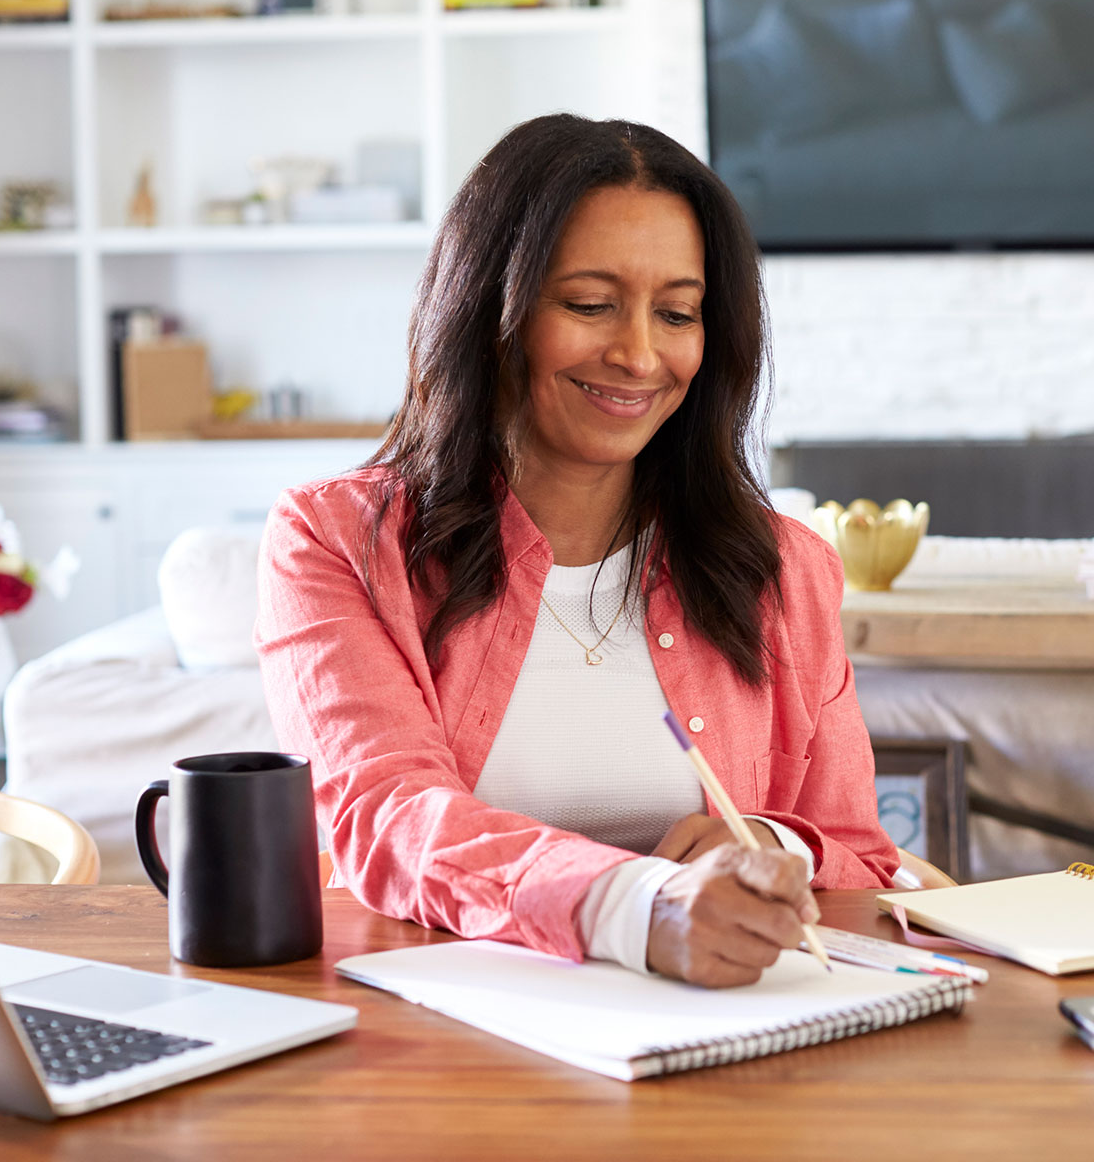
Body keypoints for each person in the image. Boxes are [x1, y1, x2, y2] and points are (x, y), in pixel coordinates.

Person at [255, 114, 897, 988]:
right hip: (442, 1059)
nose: (638, 354)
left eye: (676, 313)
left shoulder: (786, 569)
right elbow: (387, 817)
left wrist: (772, 851)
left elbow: (861, 857)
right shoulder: (335, 543)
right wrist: (642, 906)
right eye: (590, 304)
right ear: (491, 313)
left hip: (729, 1051)